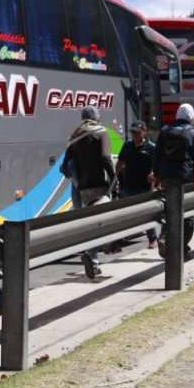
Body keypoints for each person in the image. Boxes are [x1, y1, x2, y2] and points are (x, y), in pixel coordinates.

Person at [62, 106, 114, 278]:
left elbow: (64, 167)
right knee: (100, 222)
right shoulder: (101, 133)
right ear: (97, 118)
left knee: (89, 223)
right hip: (98, 186)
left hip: (80, 189)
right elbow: (106, 158)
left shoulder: (75, 136)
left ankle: (93, 259)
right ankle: (95, 254)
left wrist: (77, 182)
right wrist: (114, 177)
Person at [151, 103, 194, 260]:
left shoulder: (164, 132)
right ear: (191, 117)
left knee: (169, 209)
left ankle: (164, 237)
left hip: (167, 178)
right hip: (185, 179)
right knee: (187, 215)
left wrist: (157, 176)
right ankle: (182, 248)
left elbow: (156, 156)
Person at [116, 121, 156, 247]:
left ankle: (153, 239)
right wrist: (115, 177)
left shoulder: (151, 147)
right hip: (128, 185)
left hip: (144, 187)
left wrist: (153, 174)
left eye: (137, 132)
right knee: (124, 214)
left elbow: (157, 165)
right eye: (132, 132)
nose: (134, 135)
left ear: (144, 132)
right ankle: (120, 238)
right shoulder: (127, 145)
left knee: (147, 213)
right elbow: (120, 162)